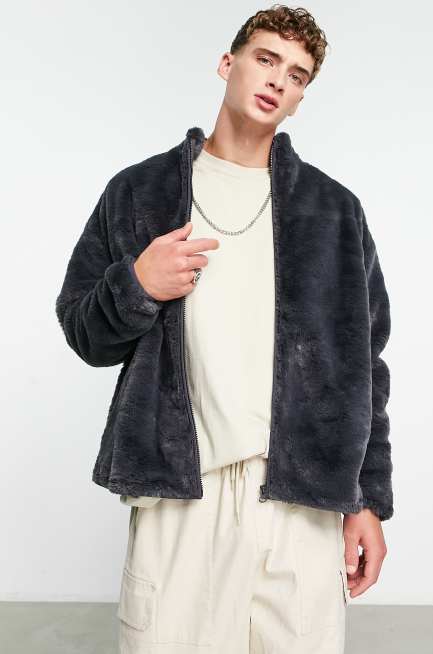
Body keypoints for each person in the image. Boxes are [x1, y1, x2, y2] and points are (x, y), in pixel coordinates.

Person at [55, 5, 393, 653]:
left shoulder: (333, 212)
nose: (277, 80)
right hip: (181, 498)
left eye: (296, 75)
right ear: (227, 63)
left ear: (299, 99)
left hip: (299, 503)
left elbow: (365, 368)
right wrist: (137, 285)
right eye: (266, 59)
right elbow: (82, 329)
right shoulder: (140, 192)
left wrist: (367, 499)